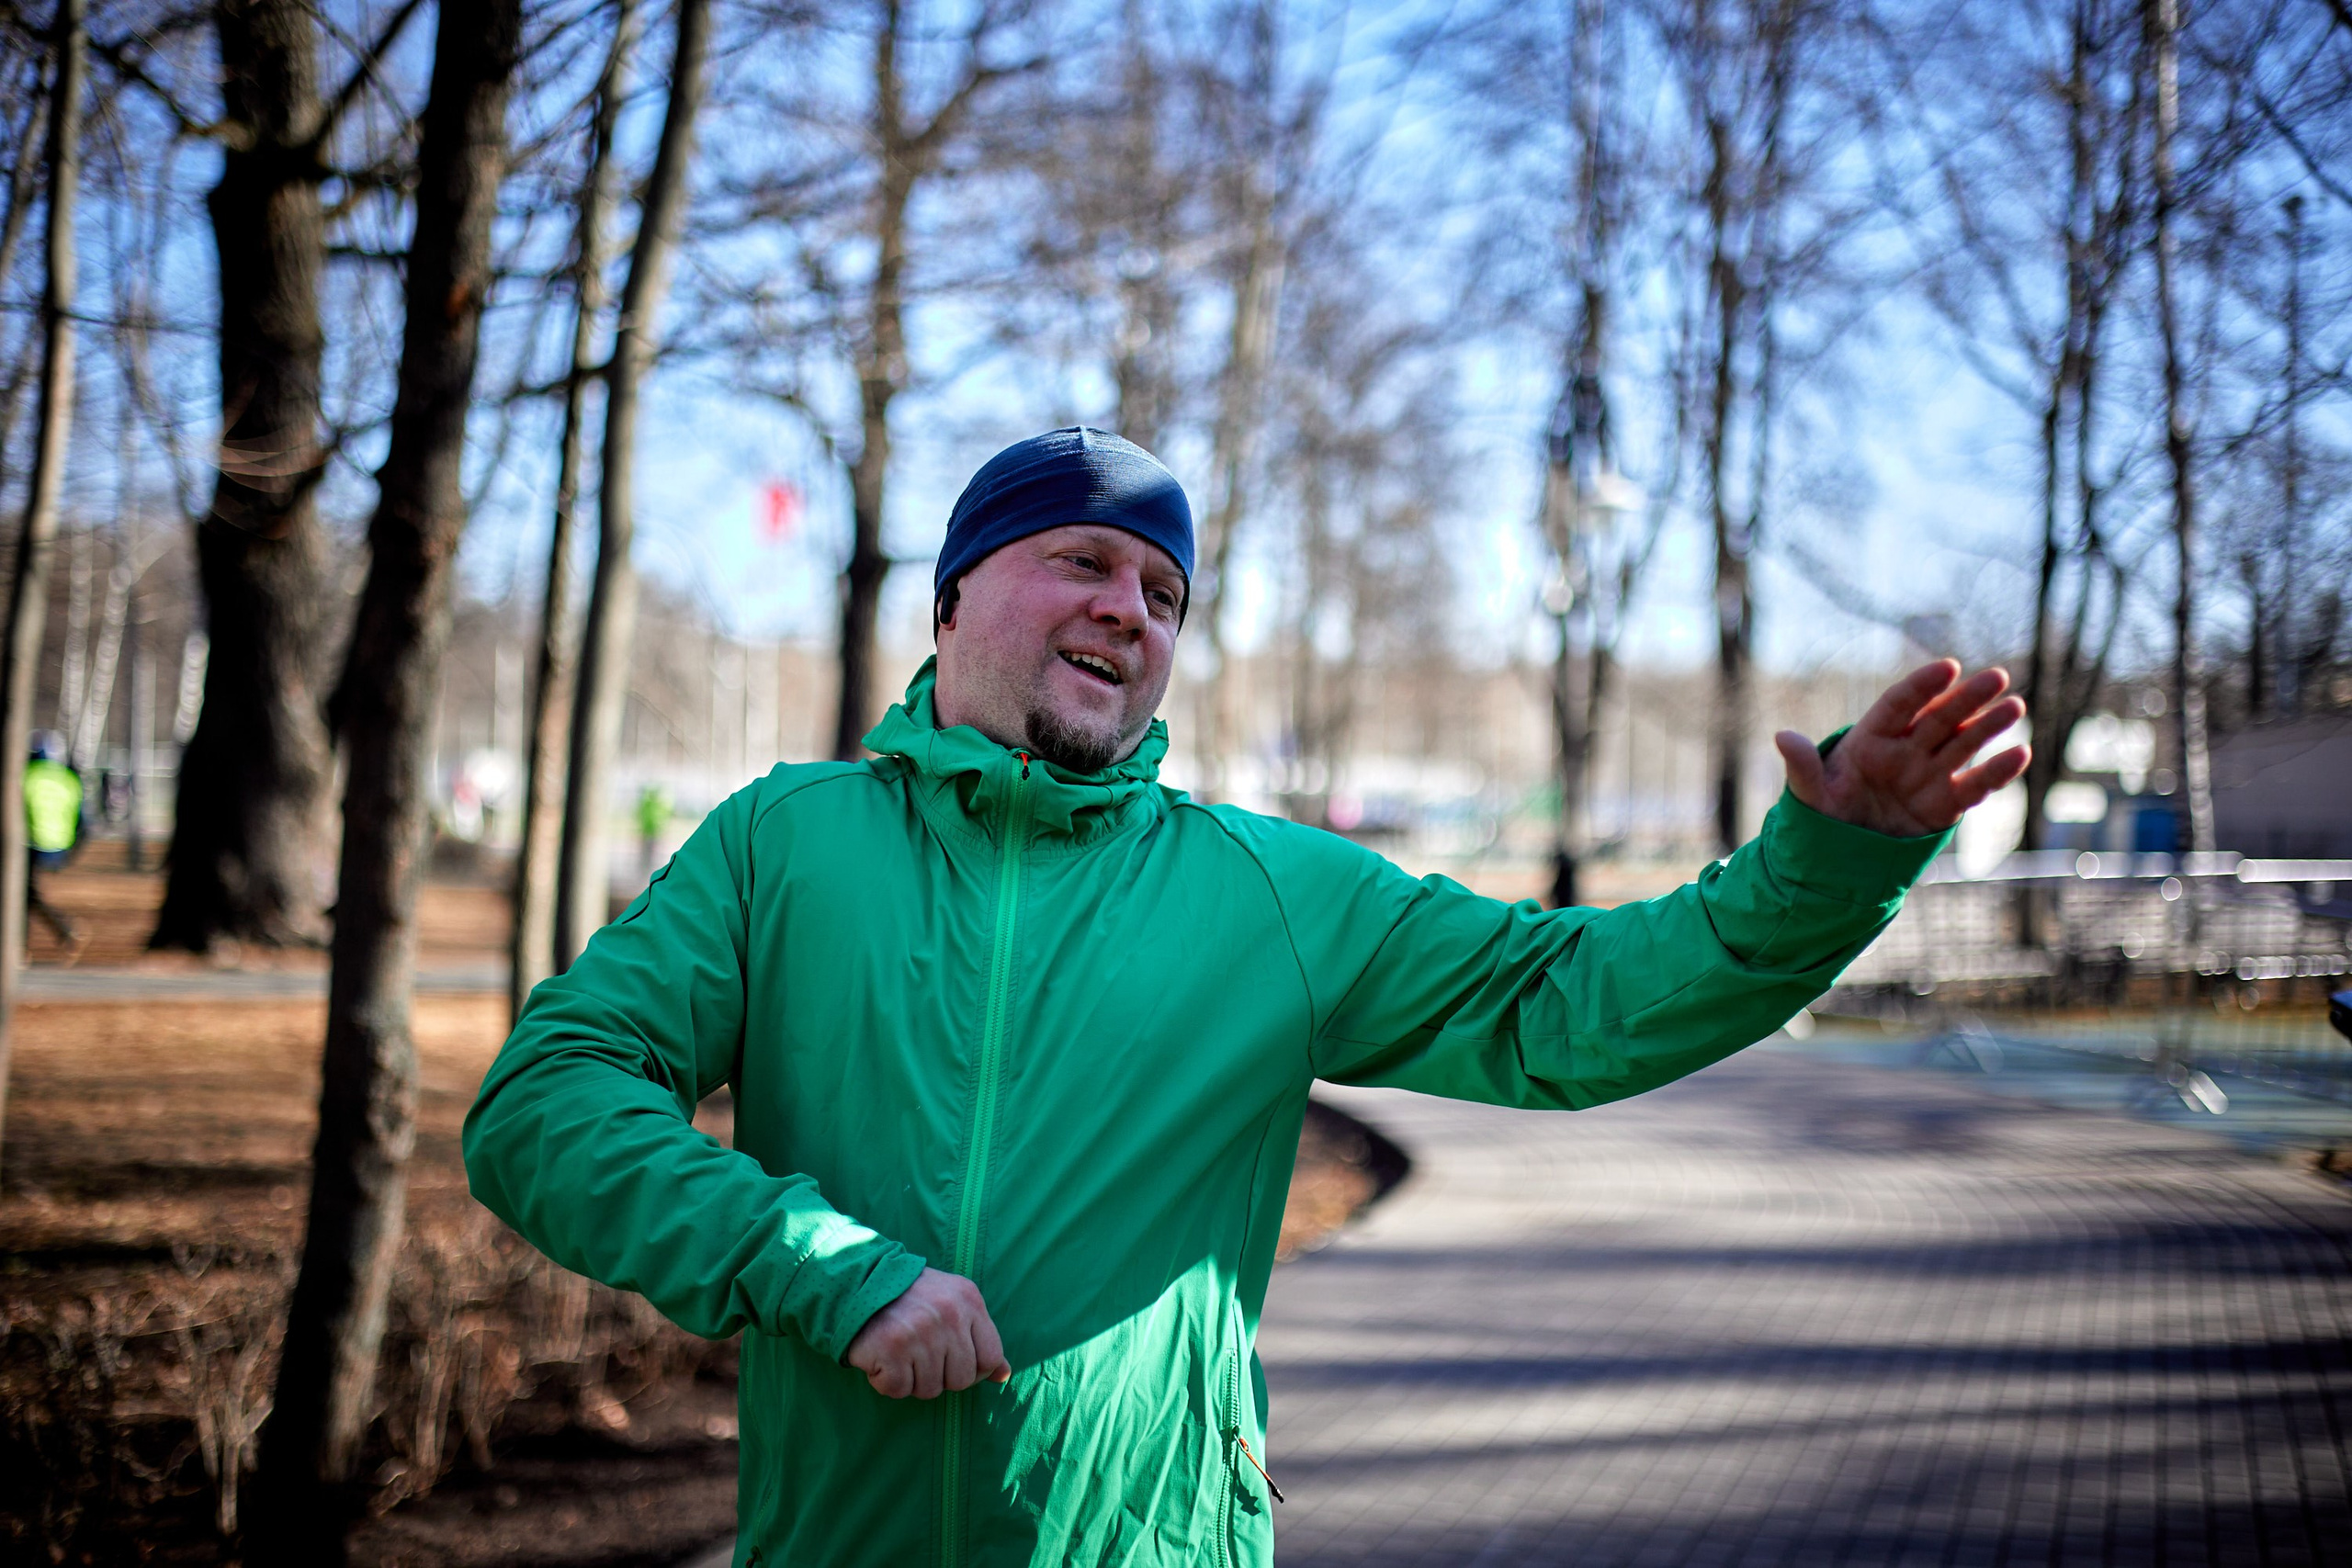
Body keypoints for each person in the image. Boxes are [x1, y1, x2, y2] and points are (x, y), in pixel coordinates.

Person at [465, 427, 2030, 1568]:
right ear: (951, 602)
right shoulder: (780, 846)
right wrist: (815, 1262)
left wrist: (1832, 864)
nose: (1130, 610)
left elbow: (1576, 1002)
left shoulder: (1273, 891)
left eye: (1162, 591)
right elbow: (547, 1098)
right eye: (1082, 558)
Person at [23, 731, 83, 955]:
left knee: (24, 895)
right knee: (27, 894)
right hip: (58, 845)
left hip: (30, 843)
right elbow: (83, 820)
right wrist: (72, 849)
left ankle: (22, 946)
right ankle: (63, 931)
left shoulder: (25, 776)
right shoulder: (69, 779)